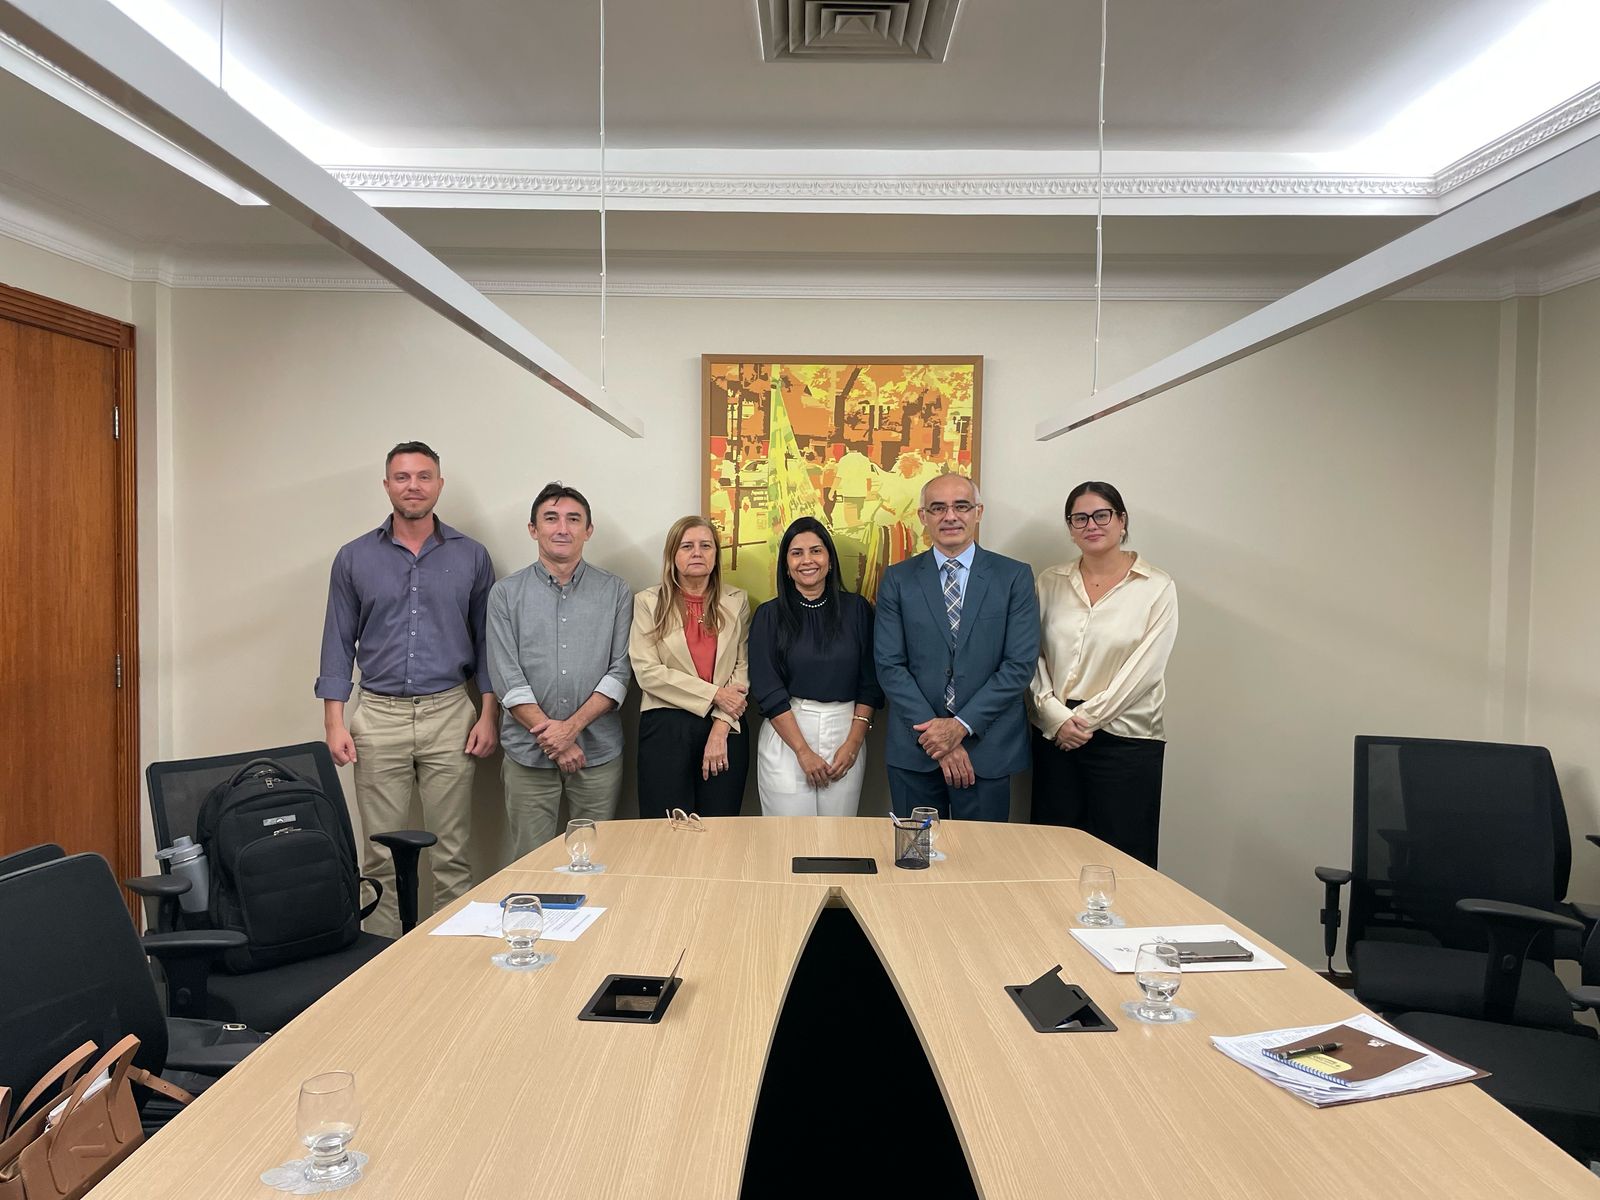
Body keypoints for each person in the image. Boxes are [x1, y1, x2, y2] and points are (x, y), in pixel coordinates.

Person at [316, 441, 498, 937]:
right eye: (402, 477)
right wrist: (334, 722)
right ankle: (382, 957)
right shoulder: (354, 557)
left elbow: (488, 642)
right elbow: (337, 641)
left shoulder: (472, 556)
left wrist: (488, 714)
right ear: (386, 485)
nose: (412, 486)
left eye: (423, 476)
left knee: (451, 852)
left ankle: (452, 957)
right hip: (378, 716)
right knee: (379, 853)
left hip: (450, 713)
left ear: (439, 484)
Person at [1029, 481, 1178, 867]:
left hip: (1126, 740)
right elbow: (1031, 657)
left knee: (1124, 861)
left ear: (1122, 520)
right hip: (1057, 736)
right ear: (1070, 527)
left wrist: (1084, 720)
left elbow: (1146, 668)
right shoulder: (1050, 581)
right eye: (1079, 518)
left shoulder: (1156, 586)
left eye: (1101, 515)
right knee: (1052, 856)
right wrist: (1056, 717)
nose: (1091, 525)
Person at [874, 473, 1038, 821]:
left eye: (961, 506)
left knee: (982, 854)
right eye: (938, 508)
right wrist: (937, 736)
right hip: (916, 749)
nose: (950, 516)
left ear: (978, 512)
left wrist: (960, 726)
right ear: (923, 516)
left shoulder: (1013, 577)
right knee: (916, 851)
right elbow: (889, 665)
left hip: (988, 748)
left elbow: (1019, 665)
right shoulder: (897, 579)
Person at [486, 482, 632, 861]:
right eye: (551, 519)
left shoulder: (616, 591)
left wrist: (571, 729)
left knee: (594, 861)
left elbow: (619, 672)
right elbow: (506, 678)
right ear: (533, 529)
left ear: (588, 530)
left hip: (598, 753)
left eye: (573, 519)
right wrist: (557, 740)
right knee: (530, 861)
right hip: (528, 755)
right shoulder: (505, 594)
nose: (562, 528)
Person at [748, 518, 884, 816]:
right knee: (789, 836)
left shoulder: (857, 610)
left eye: (816, 551)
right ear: (786, 566)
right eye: (796, 553)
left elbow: (871, 682)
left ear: (830, 560)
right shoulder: (769, 616)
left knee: (837, 834)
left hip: (846, 732)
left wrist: (854, 743)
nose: (807, 560)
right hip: (788, 735)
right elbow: (767, 689)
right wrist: (803, 751)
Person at [630, 516, 752, 816]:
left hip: (726, 725)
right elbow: (647, 672)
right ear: (673, 554)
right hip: (665, 727)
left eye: (705, 546)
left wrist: (721, 726)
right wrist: (715, 694)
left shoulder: (737, 600)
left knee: (721, 828)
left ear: (716, 555)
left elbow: (742, 668)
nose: (697, 553)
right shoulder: (648, 602)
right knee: (665, 829)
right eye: (687, 546)